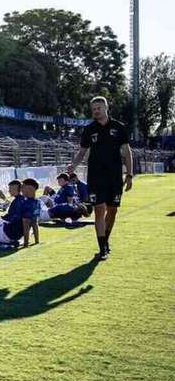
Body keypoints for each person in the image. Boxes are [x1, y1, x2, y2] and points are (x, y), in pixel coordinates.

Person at [67, 96, 133, 260]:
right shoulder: (89, 129)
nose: (96, 111)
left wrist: (130, 174)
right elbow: (82, 152)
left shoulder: (119, 127)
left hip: (115, 176)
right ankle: (102, 248)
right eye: (94, 109)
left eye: (99, 108)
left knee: (112, 210)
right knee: (99, 209)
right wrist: (73, 165)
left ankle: (106, 241)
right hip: (96, 176)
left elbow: (126, 151)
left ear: (106, 108)